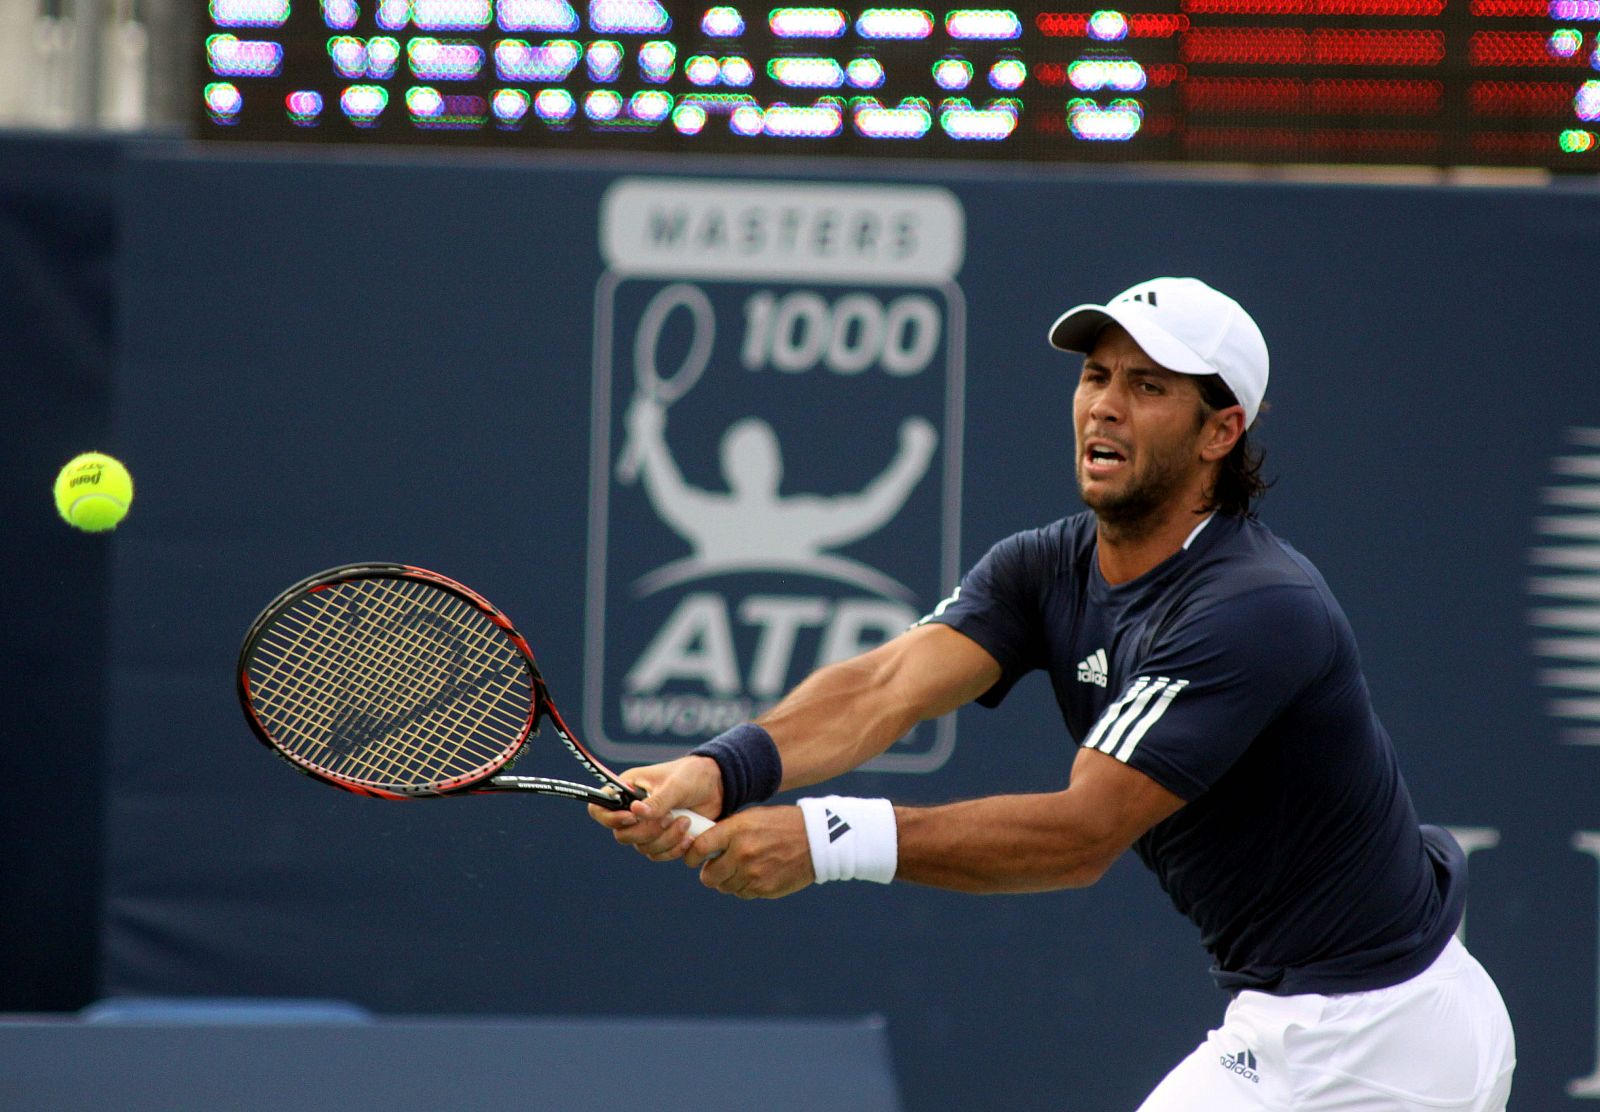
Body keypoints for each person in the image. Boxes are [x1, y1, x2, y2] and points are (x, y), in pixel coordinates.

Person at [589, 276, 1516, 1111]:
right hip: (1305, 1021)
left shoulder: (1253, 608)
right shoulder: (1044, 566)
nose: (1105, 405)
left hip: (1386, 1040)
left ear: (1220, 431)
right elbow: (884, 686)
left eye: (1147, 387)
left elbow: (1080, 835)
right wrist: (719, 771)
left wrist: (826, 840)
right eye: (1095, 376)